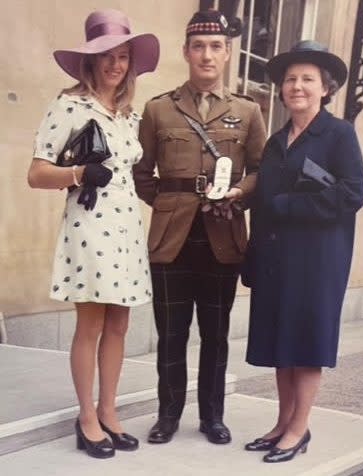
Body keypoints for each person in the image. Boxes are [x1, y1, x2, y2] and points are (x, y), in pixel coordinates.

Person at [27, 9, 159, 459]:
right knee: (92, 322)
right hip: (89, 224)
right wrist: (80, 171)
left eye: (123, 56)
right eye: (106, 55)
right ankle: (86, 416)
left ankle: (109, 410)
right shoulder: (68, 105)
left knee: (120, 323)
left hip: (125, 226)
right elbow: (37, 173)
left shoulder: (128, 115)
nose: (115, 64)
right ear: (90, 60)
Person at [133, 10, 266, 445]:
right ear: (186, 52)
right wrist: (172, 205)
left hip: (222, 238)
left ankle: (212, 416)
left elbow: (262, 171)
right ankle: (167, 415)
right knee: (170, 335)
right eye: (198, 46)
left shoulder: (247, 112)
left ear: (227, 54)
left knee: (216, 334)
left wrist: (238, 195)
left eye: (215, 47)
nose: (206, 55)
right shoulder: (158, 110)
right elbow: (142, 172)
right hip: (171, 242)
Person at [242, 40, 363, 463]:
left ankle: (299, 429)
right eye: (290, 79)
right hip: (278, 260)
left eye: (307, 79)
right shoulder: (277, 141)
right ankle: (282, 422)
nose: (297, 86)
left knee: (306, 343)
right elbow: (263, 199)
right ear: (281, 89)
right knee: (282, 342)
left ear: (325, 88)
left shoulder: (339, 134)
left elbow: (353, 194)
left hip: (317, 261)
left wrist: (290, 205)